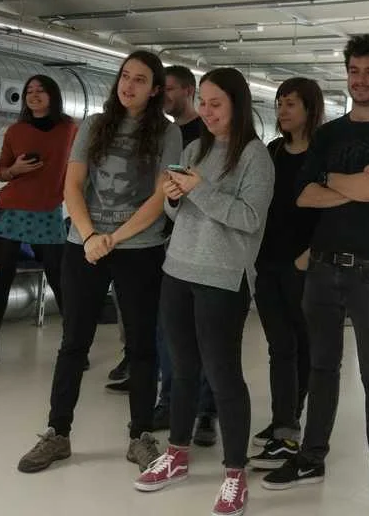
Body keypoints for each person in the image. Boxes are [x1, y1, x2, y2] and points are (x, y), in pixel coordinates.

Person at [261, 34, 369, 516]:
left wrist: (342, 182)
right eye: (354, 71)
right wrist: (351, 181)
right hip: (323, 266)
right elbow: (304, 194)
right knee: (322, 367)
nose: (361, 80)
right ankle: (311, 458)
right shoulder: (328, 135)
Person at [17, 51, 182, 474]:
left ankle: (140, 436)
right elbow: (72, 185)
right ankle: (57, 432)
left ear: (155, 89)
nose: (129, 85)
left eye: (140, 79)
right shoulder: (94, 124)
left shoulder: (168, 133)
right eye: (125, 76)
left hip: (139, 248)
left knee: (141, 345)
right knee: (74, 342)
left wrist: (115, 238)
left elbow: (160, 197)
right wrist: (91, 236)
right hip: (85, 245)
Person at [134, 67, 275, 516]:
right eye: (204, 102)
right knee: (181, 371)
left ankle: (235, 474)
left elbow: (250, 219)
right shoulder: (194, 149)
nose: (208, 112)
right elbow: (180, 215)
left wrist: (199, 188)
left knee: (223, 375)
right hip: (178, 269)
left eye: (217, 104)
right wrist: (174, 196)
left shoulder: (255, 157)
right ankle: (176, 454)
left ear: (237, 105)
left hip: (223, 278)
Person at [107, 64, 218, 447]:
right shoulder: (159, 133)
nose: (162, 95)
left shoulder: (205, 135)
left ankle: (206, 411)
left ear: (188, 91)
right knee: (166, 330)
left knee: (202, 335)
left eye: (169, 89)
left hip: (197, 246)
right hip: (158, 243)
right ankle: (169, 402)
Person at [0, 75, 77, 370]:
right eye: (29, 91)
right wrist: (15, 169)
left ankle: (73, 346)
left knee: (58, 277)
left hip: (48, 209)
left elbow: (80, 164)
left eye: (40, 90)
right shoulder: (15, 130)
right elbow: (1, 172)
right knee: (3, 276)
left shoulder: (69, 129)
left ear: (53, 96)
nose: (34, 95)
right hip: (12, 207)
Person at [248, 77, 324, 469]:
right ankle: (285, 423)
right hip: (268, 263)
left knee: (301, 344)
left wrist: (306, 259)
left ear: (310, 108)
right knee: (280, 345)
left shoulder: (323, 155)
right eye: (279, 103)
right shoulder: (273, 151)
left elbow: (334, 213)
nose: (282, 110)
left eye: (291, 103)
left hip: (304, 267)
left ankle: (287, 426)